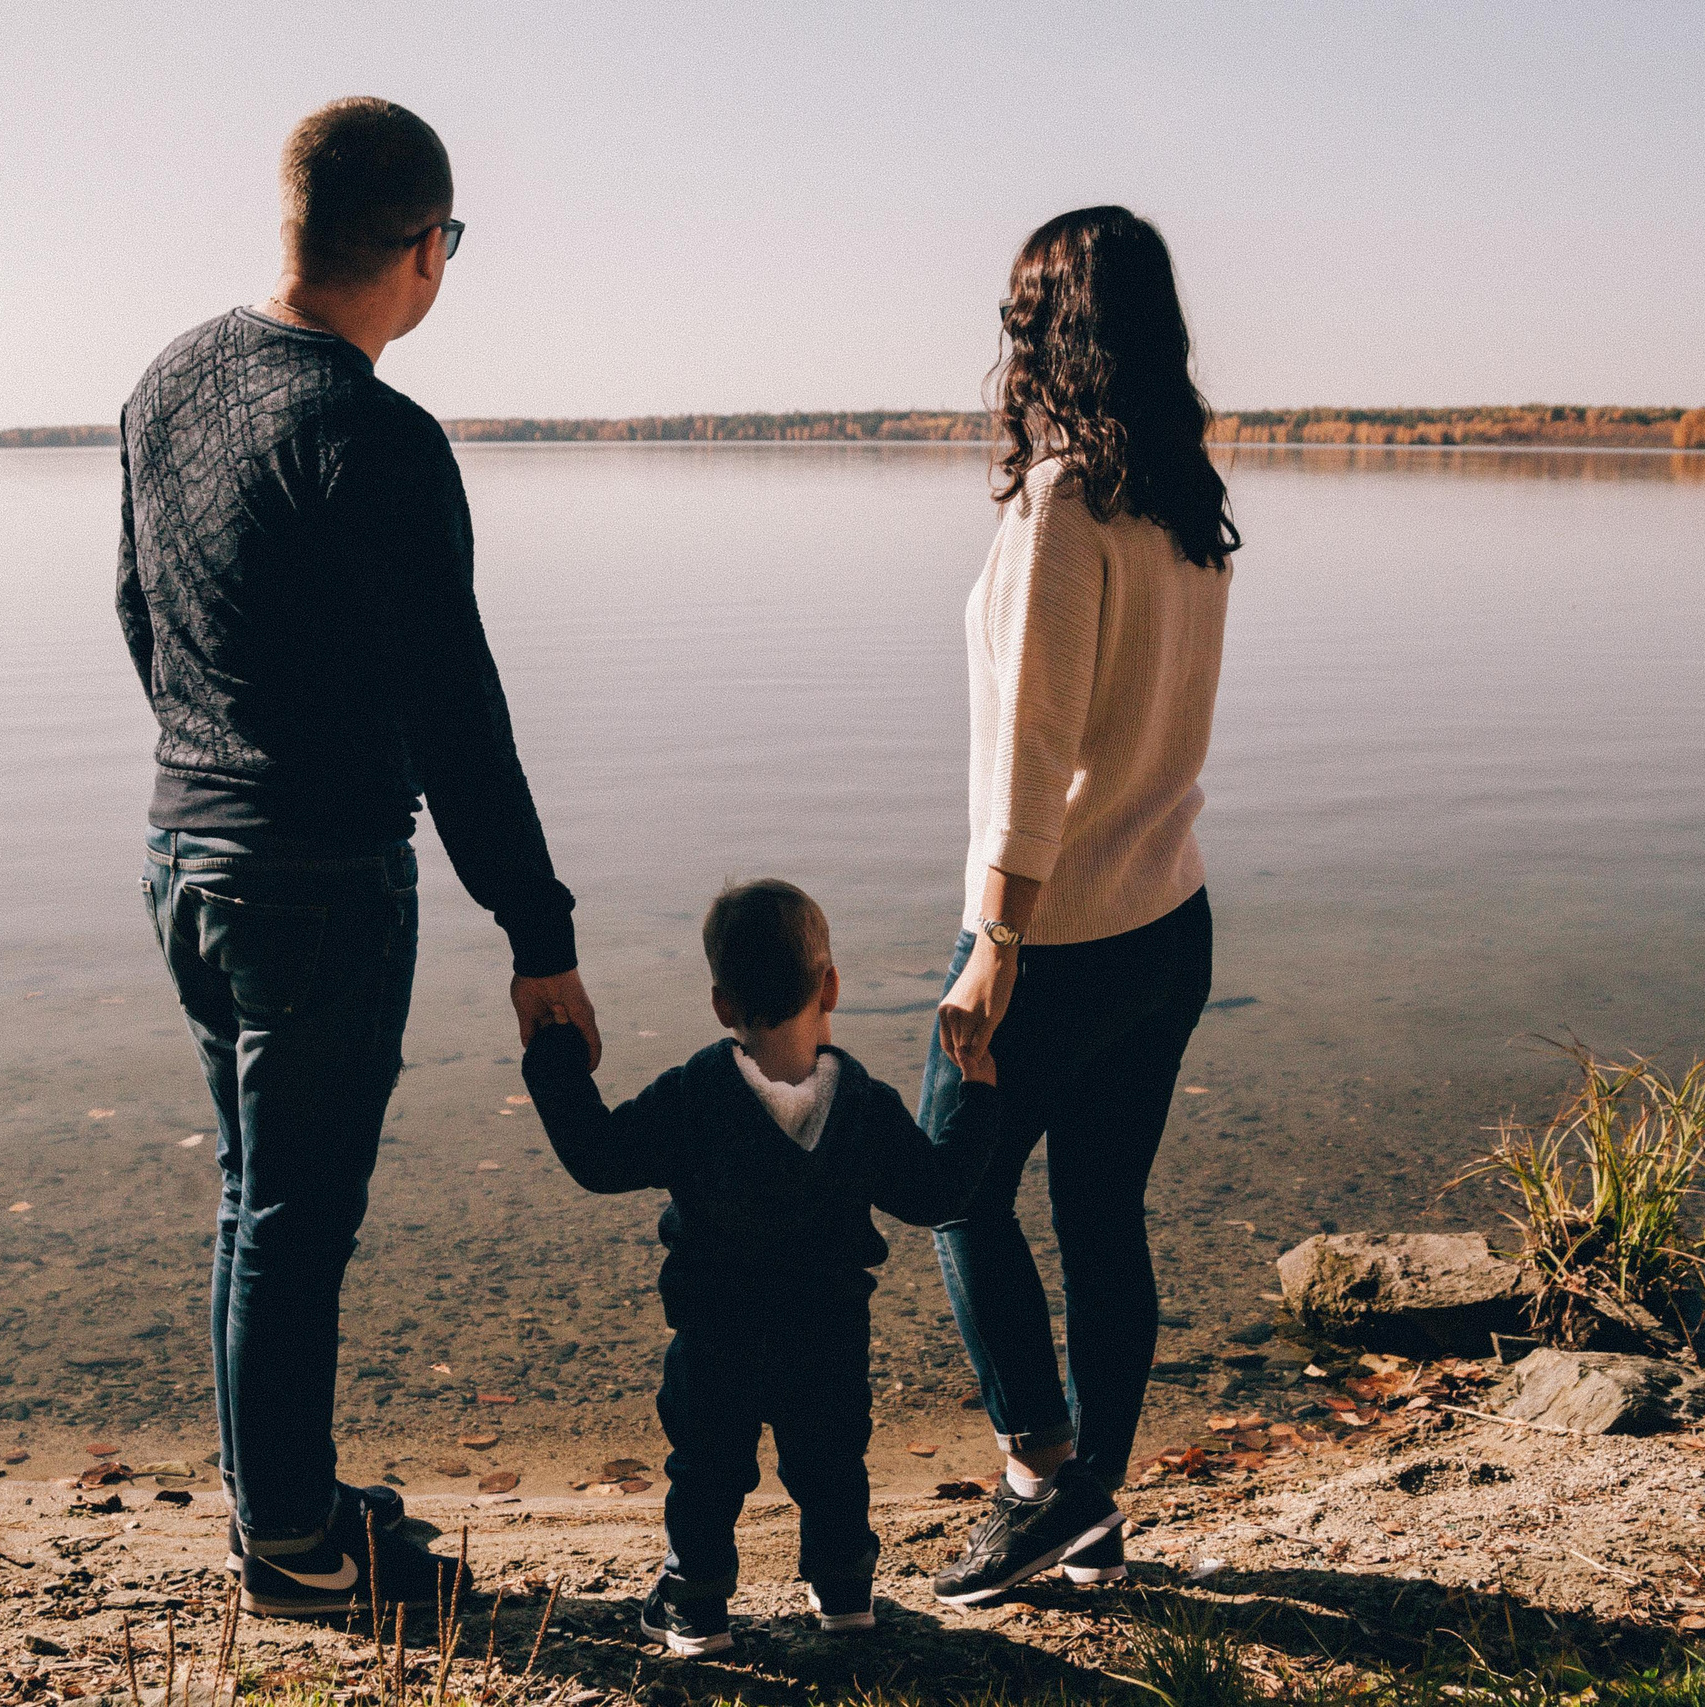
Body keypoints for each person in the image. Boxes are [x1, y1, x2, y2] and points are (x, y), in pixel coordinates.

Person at [117, 97, 600, 1621]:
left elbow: (137, 612)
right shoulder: (372, 435)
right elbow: (460, 718)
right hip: (314, 878)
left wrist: (218, 765)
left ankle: (286, 1497)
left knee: (253, 1191)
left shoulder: (170, 379)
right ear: (422, 251)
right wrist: (541, 937)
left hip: (185, 849)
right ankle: (303, 1556)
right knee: (294, 1215)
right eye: (451, 242)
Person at [917, 206, 1240, 1606]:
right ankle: (1092, 1500)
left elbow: (1037, 749)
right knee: (1103, 1212)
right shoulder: (1185, 499)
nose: (1007, 336)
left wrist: (994, 939)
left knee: (952, 1186)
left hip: (1055, 933)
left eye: (1022, 311)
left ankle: (1045, 1479)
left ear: (1052, 330)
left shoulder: (1064, 502)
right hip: (1168, 919)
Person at [520, 880, 1004, 1655]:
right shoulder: (864, 1103)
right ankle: (845, 1592)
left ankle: (697, 1602)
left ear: (719, 1003)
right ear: (832, 984)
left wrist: (553, 1056)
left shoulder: (694, 1094)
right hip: (830, 1334)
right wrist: (976, 1096)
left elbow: (601, 1157)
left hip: (715, 1337)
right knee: (831, 1462)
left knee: (707, 1471)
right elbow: (939, 1191)